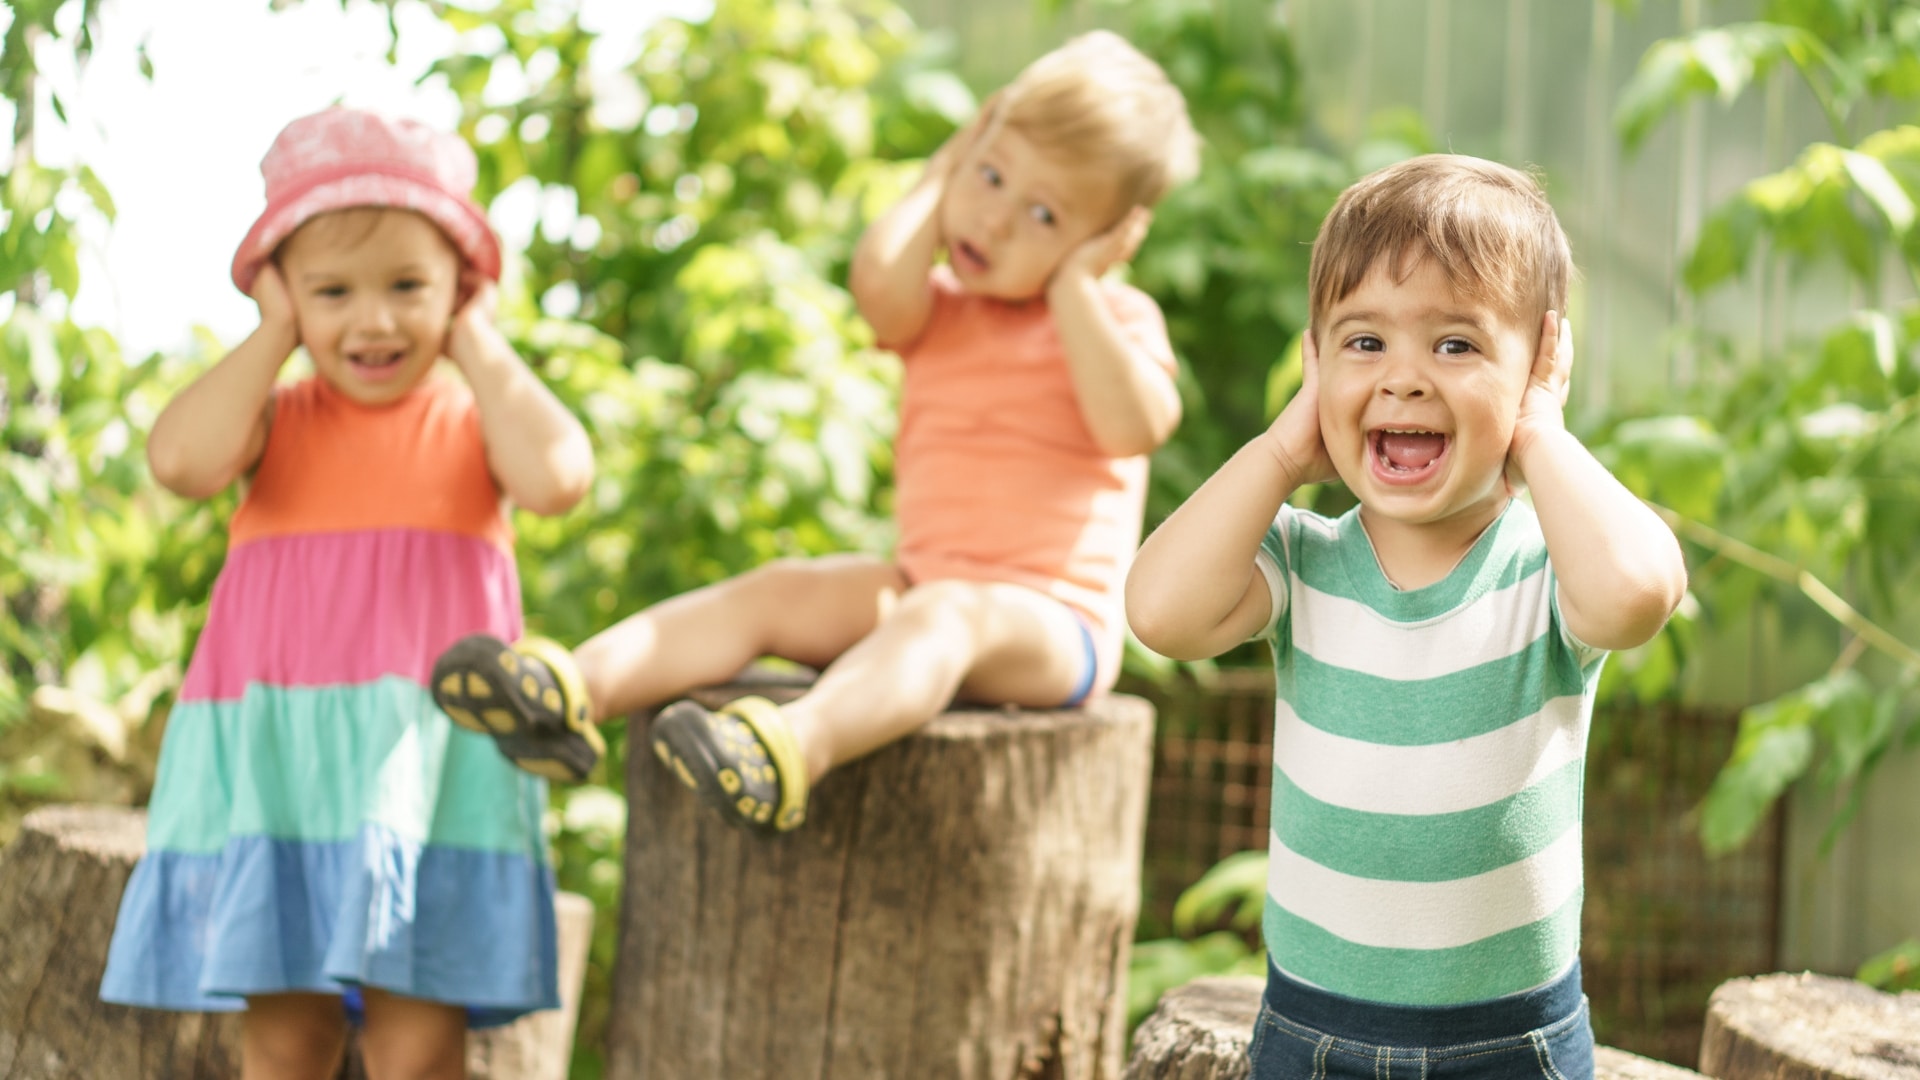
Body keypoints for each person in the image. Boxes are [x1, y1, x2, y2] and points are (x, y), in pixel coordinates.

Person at [428, 29, 1199, 833]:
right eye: (991, 175)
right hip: (918, 586)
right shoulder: (939, 309)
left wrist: (1077, 282)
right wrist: (945, 171)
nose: (994, 220)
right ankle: (571, 693)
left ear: (1110, 239)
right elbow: (877, 283)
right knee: (780, 591)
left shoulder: (1112, 319)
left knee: (950, 615)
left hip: (1049, 626)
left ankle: (794, 748)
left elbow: (1136, 425)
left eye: (1044, 214)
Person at [1124, 154, 1688, 1079]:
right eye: (1363, 343)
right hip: (1312, 1037)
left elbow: (1638, 591)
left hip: (1510, 1045)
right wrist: (1280, 446)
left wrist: (1539, 428)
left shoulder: (1545, 573)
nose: (1406, 378)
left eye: (1457, 345)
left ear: (1540, 365)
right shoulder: (1303, 562)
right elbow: (1160, 611)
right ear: (1313, 363)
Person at [100, 106, 594, 1080]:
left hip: (425, 774)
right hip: (284, 775)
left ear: (462, 288)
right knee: (287, 1043)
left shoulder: (471, 423)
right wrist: (273, 331)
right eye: (332, 292)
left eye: (409, 286)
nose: (374, 320)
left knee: (418, 1049)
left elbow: (559, 477)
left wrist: (479, 345)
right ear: (284, 295)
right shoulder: (274, 421)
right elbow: (177, 460)